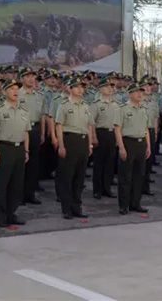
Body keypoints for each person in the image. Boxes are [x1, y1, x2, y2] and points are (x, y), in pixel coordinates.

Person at [0, 79, 31, 228]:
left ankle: (11, 213)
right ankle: (1, 216)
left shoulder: (24, 111)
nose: (15, 91)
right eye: (11, 88)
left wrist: (26, 150)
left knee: (17, 185)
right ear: (5, 91)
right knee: (2, 184)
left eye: (17, 89)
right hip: (4, 149)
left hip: (19, 149)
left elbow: (26, 132)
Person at [55, 78, 94, 219]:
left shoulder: (86, 106)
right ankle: (66, 209)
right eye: (76, 87)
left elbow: (89, 126)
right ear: (70, 89)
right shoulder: (64, 105)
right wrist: (61, 145)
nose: (80, 90)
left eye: (82, 87)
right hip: (69, 140)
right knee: (67, 177)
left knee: (79, 177)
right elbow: (59, 126)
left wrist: (90, 144)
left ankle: (77, 207)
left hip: (82, 141)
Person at [114, 83, 151, 215]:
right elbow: (117, 129)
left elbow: (146, 129)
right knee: (125, 176)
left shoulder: (143, 109)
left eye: (141, 91)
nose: (140, 94)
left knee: (138, 176)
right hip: (128, 142)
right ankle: (123, 205)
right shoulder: (122, 109)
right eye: (136, 92)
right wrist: (121, 147)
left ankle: (135, 203)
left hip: (141, 143)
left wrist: (148, 146)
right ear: (129, 94)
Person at [18, 67, 47, 205]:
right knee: (21, 163)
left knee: (34, 163)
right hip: (20, 129)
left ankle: (30, 193)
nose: (31, 79)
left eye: (32, 76)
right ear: (22, 78)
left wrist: (42, 133)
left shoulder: (39, 96)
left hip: (34, 130)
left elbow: (42, 116)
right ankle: (19, 194)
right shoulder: (17, 94)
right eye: (27, 76)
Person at [90, 77, 119, 199]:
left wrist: (118, 138)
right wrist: (93, 137)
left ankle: (107, 188)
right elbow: (91, 123)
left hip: (112, 134)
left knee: (109, 163)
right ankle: (97, 189)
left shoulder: (116, 104)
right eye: (107, 86)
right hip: (100, 133)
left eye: (112, 86)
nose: (110, 88)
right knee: (99, 163)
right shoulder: (96, 104)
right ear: (101, 88)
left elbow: (118, 123)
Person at [141, 77, 159, 196]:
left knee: (149, 160)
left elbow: (156, 118)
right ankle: (138, 187)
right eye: (146, 86)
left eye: (150, 86)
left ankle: (146, 187)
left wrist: (156, 132)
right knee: (140, 162)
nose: (148, 88)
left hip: (151, 132)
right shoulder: (138, 102)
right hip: (140, 133)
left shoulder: (154, 101)